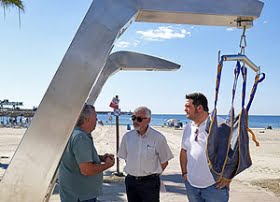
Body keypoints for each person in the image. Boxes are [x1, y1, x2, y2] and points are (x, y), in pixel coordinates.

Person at [59, 104, 115, 202]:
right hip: (80, 196)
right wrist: (108, 165)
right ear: (87, 119)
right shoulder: (80, 137)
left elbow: (76, 157)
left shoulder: (74, 133)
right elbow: (87, 170)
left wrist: (100, 158)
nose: (97, 119)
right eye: (95, 116)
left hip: (75, 194)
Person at [180, 93, 229, 202]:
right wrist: (184, 174)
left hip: (214, 187)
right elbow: (184, 151)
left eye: (188, 106)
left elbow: (233, 153)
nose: (184, 109)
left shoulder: (220, 125)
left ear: (200, 108)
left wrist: (227, 177)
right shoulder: (188, 127)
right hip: (192, 185)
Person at [118, 106, 174, 202]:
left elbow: (164, 161)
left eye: (139, 119)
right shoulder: (127, 137)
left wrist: (152, 175)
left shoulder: (158, 138)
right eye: (133, 118)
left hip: (150, 183)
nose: (135, 121)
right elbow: (126, 158)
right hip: (131, 182)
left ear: (148, 120)